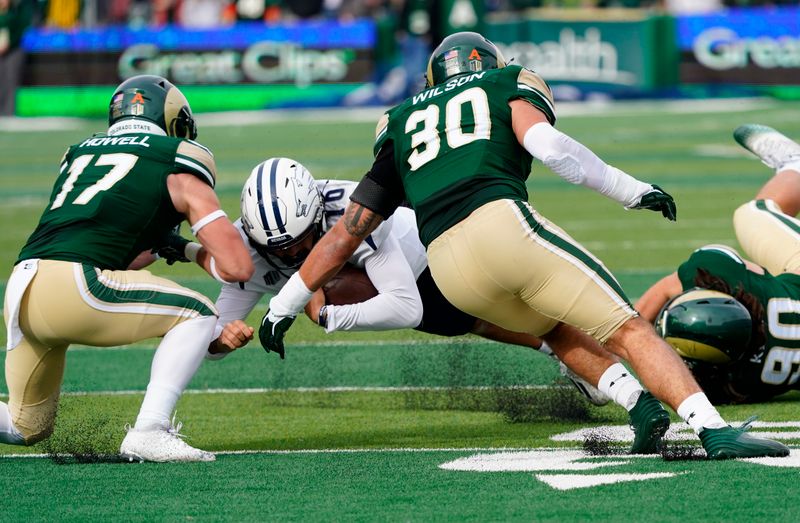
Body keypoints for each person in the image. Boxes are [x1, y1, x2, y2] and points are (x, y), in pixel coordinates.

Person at [258, 32, 789, 459]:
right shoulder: (505, 82)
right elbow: (550, 147)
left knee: (555, 328)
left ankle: (636, 403)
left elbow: (346, 230)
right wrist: (633, 190)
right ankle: (712, 429)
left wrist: (281, 309)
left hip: (447, 268)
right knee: (625, 325)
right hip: (500, 224)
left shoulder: (397, 120)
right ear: (487, 64)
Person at [203, 156, 670, 454]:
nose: (289, 255)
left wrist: (327, 314)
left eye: (301, 242)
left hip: (428, 253)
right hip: (454, 257)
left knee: (507, 317)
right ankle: (620, 358)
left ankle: (629, 355)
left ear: (316, 213)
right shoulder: (246, 251)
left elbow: (404, 306)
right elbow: (215, 335)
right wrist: (222, 339)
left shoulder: (357, 211)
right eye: (277, 249)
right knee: (500, 321)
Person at [0, 74, 254, 462]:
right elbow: (237, 267)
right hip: (72, 285)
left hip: (22, 286)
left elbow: (123, 254)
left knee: (26, 425)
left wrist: (170, 243)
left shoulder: (81, 153)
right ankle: (150, 429)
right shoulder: (177, 157)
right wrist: (186, 245)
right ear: (171, 119)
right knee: (198, 311)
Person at [636, 123, 800, 405]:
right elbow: (666, 289)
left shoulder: (730, 385)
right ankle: (794, 166)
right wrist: (627, 338)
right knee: (752, 214)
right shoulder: (728, 279)